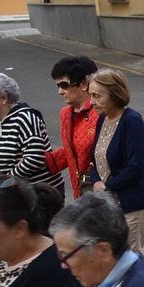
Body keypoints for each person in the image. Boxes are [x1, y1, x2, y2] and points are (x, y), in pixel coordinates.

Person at [87, 69, 144, 255]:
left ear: (114, 94)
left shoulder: (132, 121)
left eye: (96, 96)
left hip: (132, 203)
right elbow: (95, 159)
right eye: (91, 96)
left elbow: (136, 167)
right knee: (117, 260)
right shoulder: (102, 119)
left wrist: (106, 187)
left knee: (129, 259)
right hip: (109, 203)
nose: (92, 102)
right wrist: (96, 182)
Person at [0, 72, 65, 193]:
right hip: (14, 192)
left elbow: (34, 159)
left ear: (4, 98)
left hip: (39, 193)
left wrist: (5, 181)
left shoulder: (25, 118)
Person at [45, 56, 100, 198]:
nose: (60, 91)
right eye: (58, 86)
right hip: (81, 190)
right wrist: (44, 161)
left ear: (83, 84)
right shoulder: (66, 114)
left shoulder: (102, 112)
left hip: (103, 191)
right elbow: (74, 149)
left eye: (64, 85)